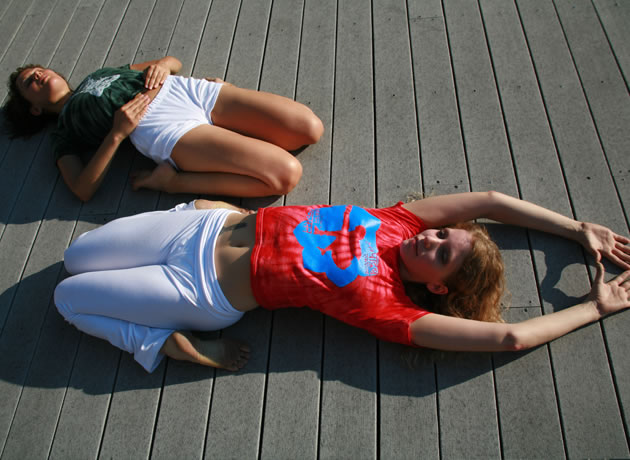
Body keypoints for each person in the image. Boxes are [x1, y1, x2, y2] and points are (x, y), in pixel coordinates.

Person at [53, 191, 630, 372]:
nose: (429, 239)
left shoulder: (390, 307)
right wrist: (575, 228)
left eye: (441, 253)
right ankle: (201, 211)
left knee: (67, 297)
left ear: (439, 287)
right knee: (75, 255)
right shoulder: (397, 223)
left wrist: (596, 307)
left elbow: (511, 338)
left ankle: (158, 344)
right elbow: (490, 201)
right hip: (201, 225)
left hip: (202, 288)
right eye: (441, 233)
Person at [4, 56, 323, 201]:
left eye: (39, 69)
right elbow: (81, 188)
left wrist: (162, 66)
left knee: (310, 129)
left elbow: (172, 62)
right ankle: (173, 182)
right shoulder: (63, 131)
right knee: (285, 175)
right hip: (160, 127)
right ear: (34, 108)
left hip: (186, 91)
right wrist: (117, 134)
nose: (39, 75)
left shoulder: (97, 74)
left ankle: (239, 132)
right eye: (29, 82)